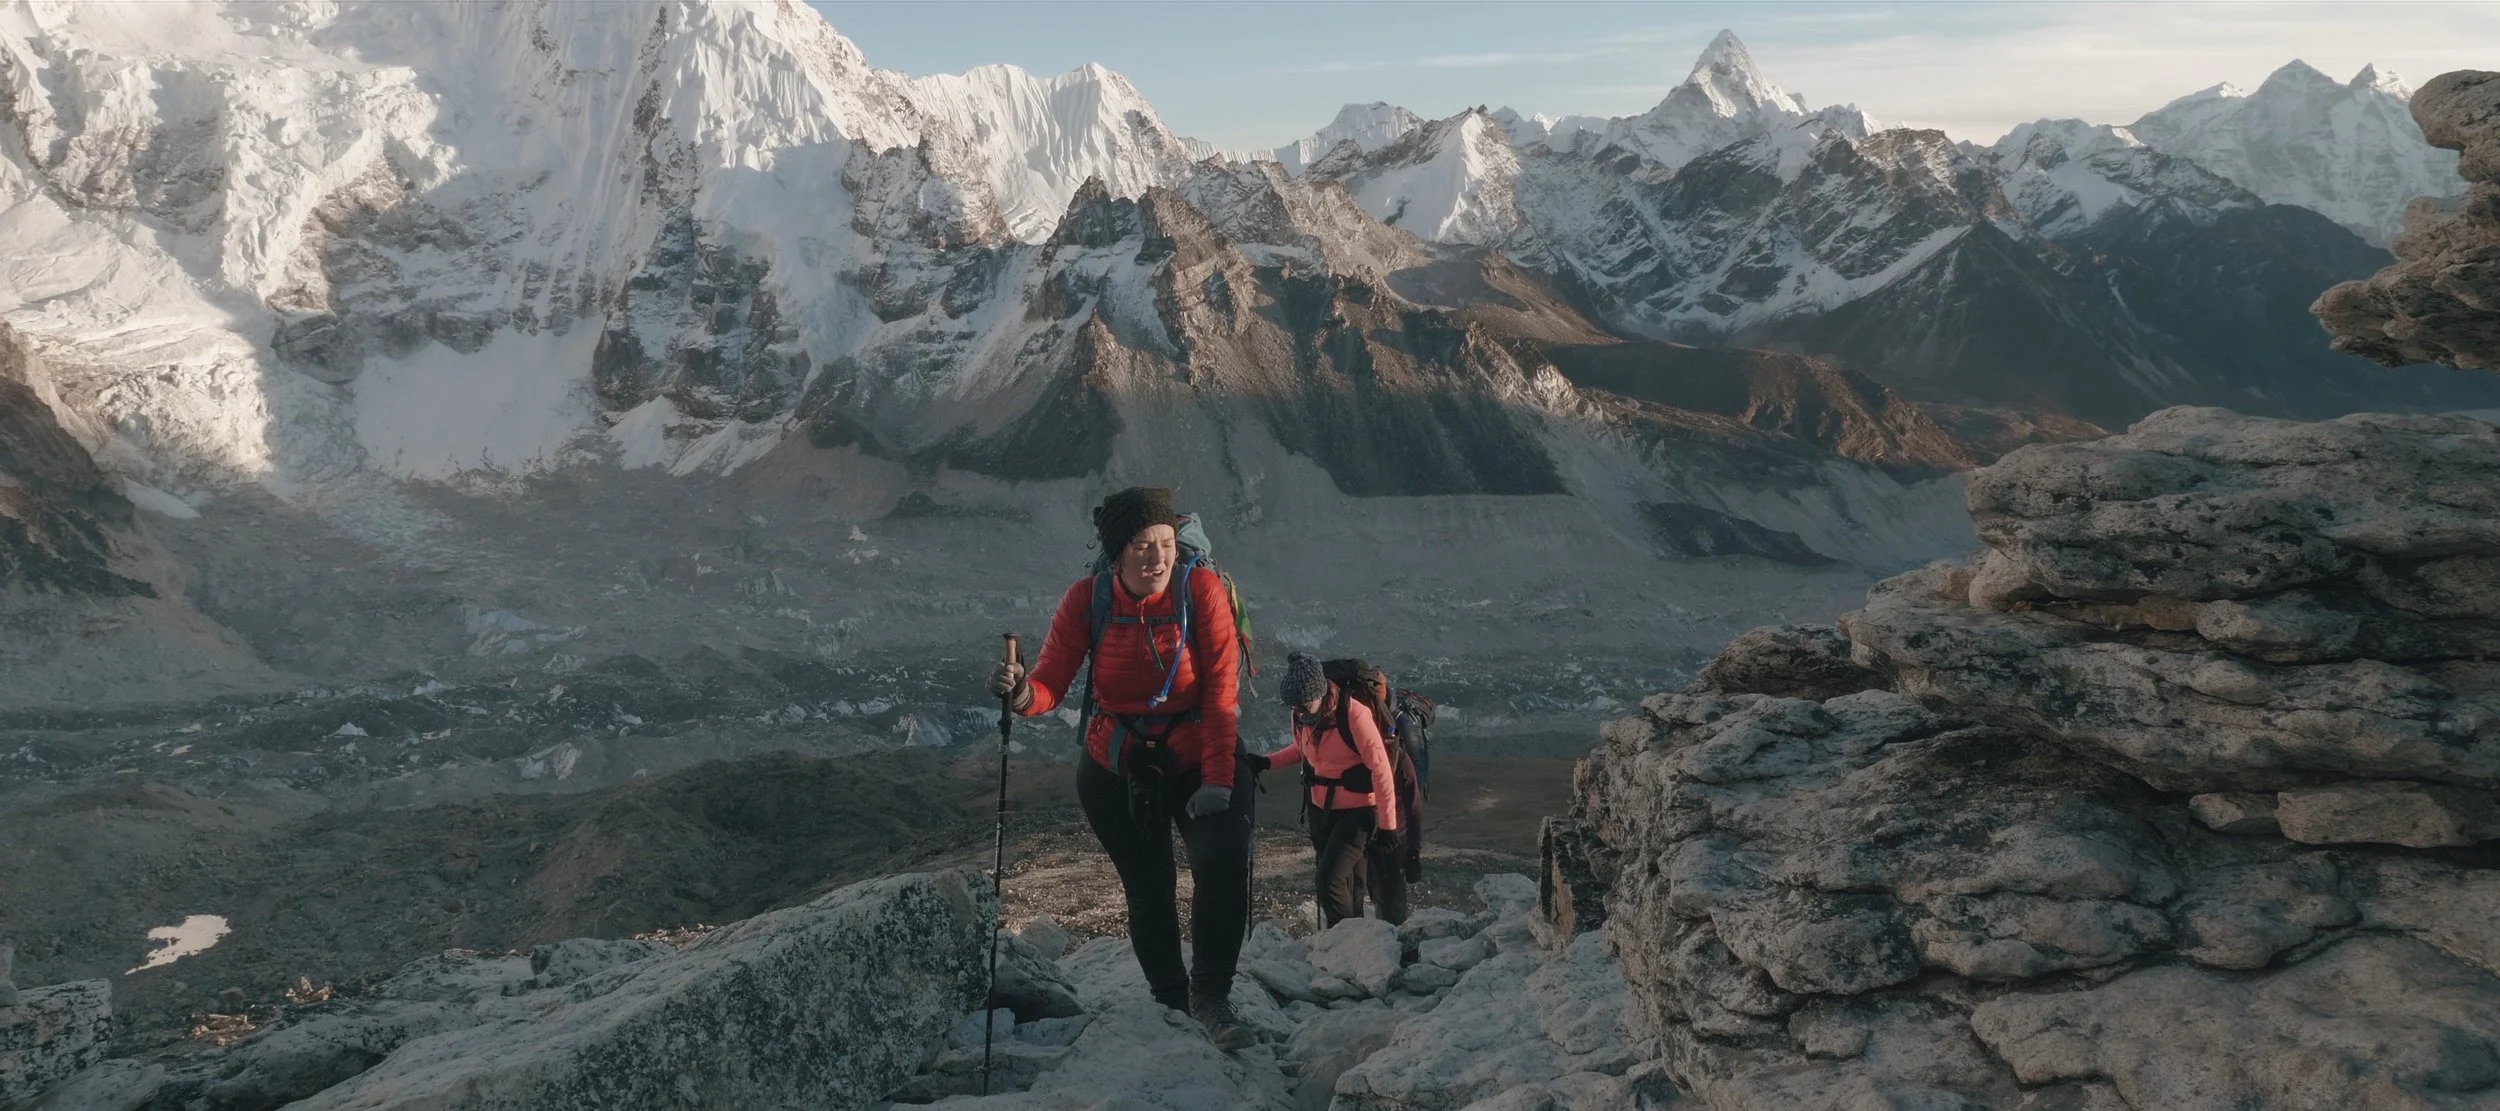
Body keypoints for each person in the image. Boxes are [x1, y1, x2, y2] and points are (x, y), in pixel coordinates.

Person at [987, 486, 1255, 1050]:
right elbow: (1050, 685)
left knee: (1223, 863)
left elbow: (1221, 694)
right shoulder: (1087, 600)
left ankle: (1212, 999)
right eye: (1141, 546)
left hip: (1199, 752)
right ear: (1117, 556)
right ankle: (1171, 1003)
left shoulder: (1200, 589)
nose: (1158, 558)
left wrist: (1217, 779)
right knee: (1148, 888)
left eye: (1165, 544)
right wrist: (1019, 697)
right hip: (1116, 767)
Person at [1244, 652, 1401, 928]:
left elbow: (1381, 770)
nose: (1300, 713)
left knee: (1329, 879)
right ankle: (1357, 945)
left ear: (1320, 692)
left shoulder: (1354, 715)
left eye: (1304, 706)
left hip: (1360, 813)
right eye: (1295, 708)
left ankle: (1345, 940)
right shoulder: (1303, 717)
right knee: (1349, 885)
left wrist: (1388, 826)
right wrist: (1267, 762)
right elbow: (1304, 751)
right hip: (1323, 812)